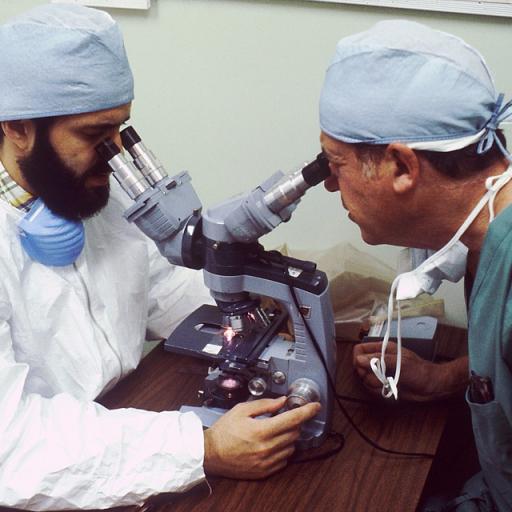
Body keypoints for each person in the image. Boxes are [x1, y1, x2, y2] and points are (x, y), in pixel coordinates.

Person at [0, 4, 319, 510]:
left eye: (118, 133)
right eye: (91, 136)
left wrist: (265, 318)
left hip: (119, 424)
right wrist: (201, 448)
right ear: (17, 126)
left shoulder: (92, 196)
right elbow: (12, 446)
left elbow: (170, 293)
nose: (113, 157)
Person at [319, 20, 512, 511]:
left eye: (335, 165)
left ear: (402, 167)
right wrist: (445, 380)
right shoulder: (487, 236)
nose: (328, 186)